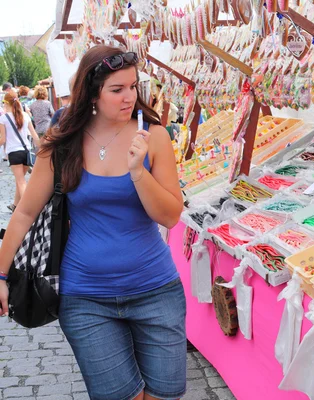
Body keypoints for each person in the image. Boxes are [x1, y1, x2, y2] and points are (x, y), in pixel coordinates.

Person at [0, 45, 185, 400]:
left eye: (133, 86)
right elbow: (25, 212)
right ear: (92, 92)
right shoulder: (63, 144)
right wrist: (1, 274)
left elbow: (170, 215)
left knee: (165, 395)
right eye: (117, 89)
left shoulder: (155, 137)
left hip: (156, 291)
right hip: (86, 298)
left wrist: (138, 173)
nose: (129, 96)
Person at [0, 91, 40, 211]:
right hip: (26, 152)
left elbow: (2, 139)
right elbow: (34, 135)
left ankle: (28, 209)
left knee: (21, 181)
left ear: (6, 103)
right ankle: (15, 205)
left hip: (14, 153)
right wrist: (41, 149)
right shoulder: (25, 115)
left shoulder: (3, 118)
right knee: (20, 179)